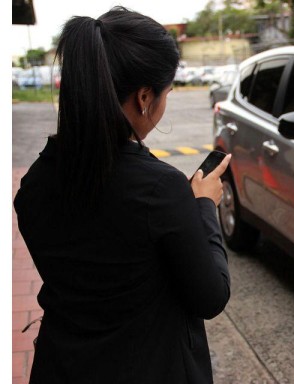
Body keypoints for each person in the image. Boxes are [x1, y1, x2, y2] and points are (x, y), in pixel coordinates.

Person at [13, 7, 231, 383]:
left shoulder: (35, 182)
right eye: (166, 93)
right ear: (144, 96)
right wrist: (203, 206)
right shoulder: (160, 190)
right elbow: (211, 296)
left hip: (60, 367)